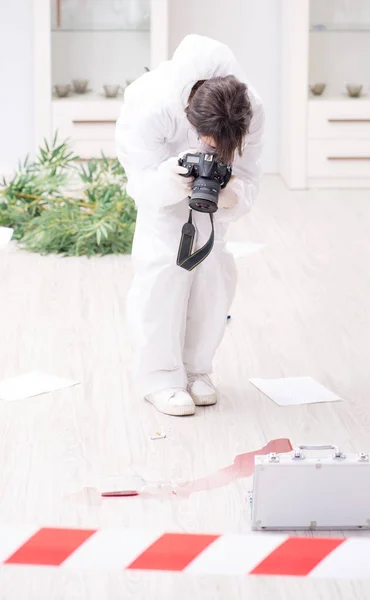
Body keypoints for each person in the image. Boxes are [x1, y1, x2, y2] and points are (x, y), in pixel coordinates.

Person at [116, 34, 265, 417]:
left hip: (212, 207)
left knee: (213, 275)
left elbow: (249, 176)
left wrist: (232, 190)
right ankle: (160, 378)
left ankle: (198, 370)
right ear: (190, 120)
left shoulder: (251, 110)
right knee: (163, 272)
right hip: (161, 191)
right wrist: (171, 176)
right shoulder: (150, 101)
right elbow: (140, 180)